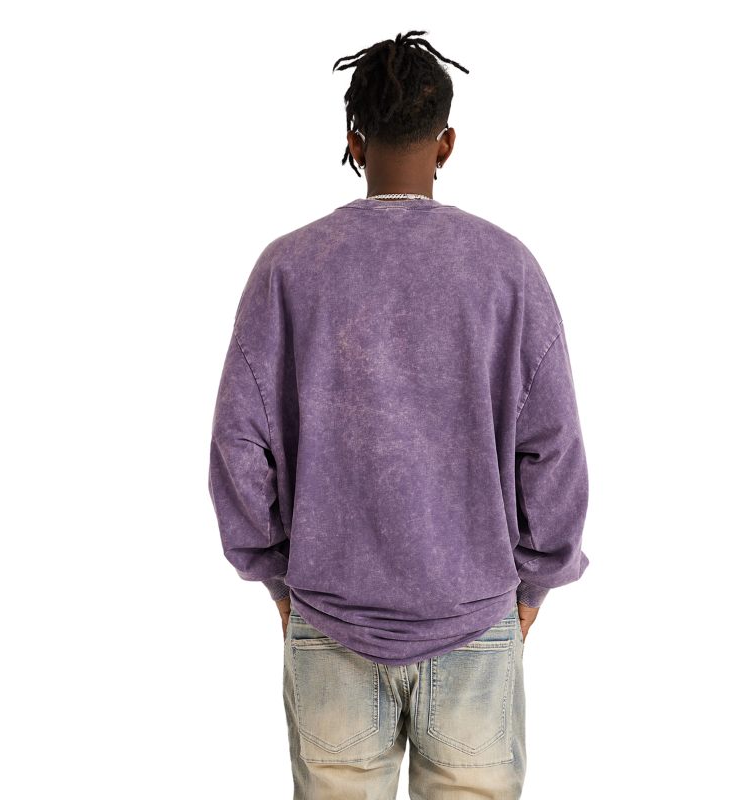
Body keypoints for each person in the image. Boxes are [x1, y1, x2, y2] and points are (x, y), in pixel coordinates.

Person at [208, 30, 590, 800]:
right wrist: (532, 588)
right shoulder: (506, 271)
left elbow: (238, 450)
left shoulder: (288, 270)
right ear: (446, 142)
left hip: (330, 627)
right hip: (474, 628)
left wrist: (279, 579)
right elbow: (552, 450)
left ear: (354, 141)